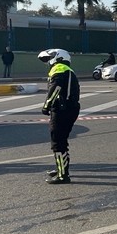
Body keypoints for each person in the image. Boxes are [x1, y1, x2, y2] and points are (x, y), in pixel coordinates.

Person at [38, 48, 80, 184]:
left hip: (63, 110)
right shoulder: (66, 69)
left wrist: (47, 105)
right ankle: (61, 169)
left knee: (57, 142)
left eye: (49, 58)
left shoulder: (59, 68)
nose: (48, 62)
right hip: (69, 108)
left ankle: (63, 175)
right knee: (61, 141)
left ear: (58, 57)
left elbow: (56, 87)